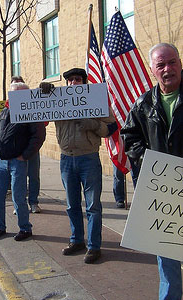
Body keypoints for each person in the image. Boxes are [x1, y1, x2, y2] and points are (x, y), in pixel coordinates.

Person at [120, 43, 183, 300]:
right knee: (167, 255)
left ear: (180, 63)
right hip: (163, 194)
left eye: (172, 62)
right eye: (161, 65)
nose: (168, 69)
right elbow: (130, 137)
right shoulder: (144, 104)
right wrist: (152, 163)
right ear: (152, 71)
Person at [41, 68, 117, 264]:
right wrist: (44, 93)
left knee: (92, 206)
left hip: (88, 159)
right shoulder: (57, 100)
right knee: (71, 204)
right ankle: (77, 240)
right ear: (66, 84)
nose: (74, 83)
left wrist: (91, 124)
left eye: (78, 79)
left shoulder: (95, 100)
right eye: (70, 80)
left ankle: (94, 246)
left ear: (84, 82)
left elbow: (112, 127)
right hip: (66, 159)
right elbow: (39, 117)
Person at [0, 82, 46, 241]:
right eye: (12, 93)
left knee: (18, 198)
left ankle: (25, 228)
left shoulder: (32, 112)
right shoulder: (5, 111)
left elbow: (38, 137)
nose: (15, 97)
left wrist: (25, 156)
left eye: (19, 94)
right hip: (2, 162)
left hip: (18, 162)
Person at [11, 76, 42, 213]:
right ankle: (19, 204)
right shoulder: (8, 107)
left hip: (32, 149)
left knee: (33, 176)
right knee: (18, 178)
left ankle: (33, 202)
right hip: (16, 149)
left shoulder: (34, 106)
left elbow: (42, 127)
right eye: (14, 87)